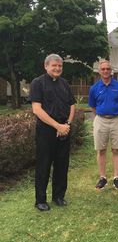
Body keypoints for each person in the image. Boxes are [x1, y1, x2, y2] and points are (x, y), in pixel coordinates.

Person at [29, 54, 76, 211]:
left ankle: (58, 197)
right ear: (46, 66)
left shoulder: (64, 84)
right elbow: (36, 109)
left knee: (62, 165)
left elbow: (72, 105)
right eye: (54, 65)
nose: (57, 68)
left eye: (60, 66)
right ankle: (40, 200)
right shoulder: (37, 83)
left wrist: (67, 124)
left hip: (64, 130)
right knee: (44, 165)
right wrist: (57, 126)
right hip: (46, 131)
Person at [89, 60, 118, 189]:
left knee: (116, 149)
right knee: (101, 150)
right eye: (103, 69)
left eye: (107, 69)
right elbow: (93, 107)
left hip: (117, 119)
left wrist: (115, 112)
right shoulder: (94, 88)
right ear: (99, 71)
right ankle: (103, 178)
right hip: (101, 120)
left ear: (111, 71)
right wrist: (102, 115)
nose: (105, 71)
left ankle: (116, 178)